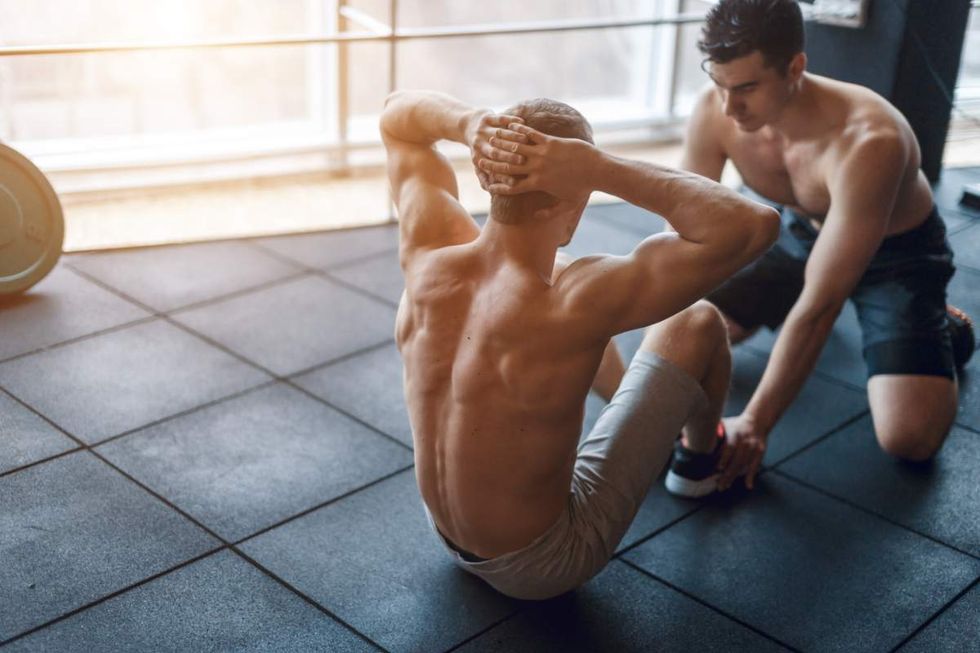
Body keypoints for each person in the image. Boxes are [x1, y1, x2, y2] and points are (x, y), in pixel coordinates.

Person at [380, 89, 779, 599]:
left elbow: (397, 116)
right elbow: (754, 226)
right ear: (577, 194)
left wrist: (470, 122)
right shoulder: (578, 301)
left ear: (488, 174)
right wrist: (598, 167)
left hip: (446, 533)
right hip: (542, 564)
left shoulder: (430, 249)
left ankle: (627, 411)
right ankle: (700, 463)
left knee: (562, 308)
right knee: (697, 320)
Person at [673, 0, 975, 493]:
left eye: (747, 87)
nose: (729, 107)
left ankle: (945, 328)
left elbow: (821, 304)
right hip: (800, 234)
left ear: (795, 68)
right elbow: (683, 235)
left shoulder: (868, 139)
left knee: (910, 438)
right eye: (720, 84)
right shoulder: (716, 109)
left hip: (898, 257)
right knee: (694, 335)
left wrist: (755, 423)